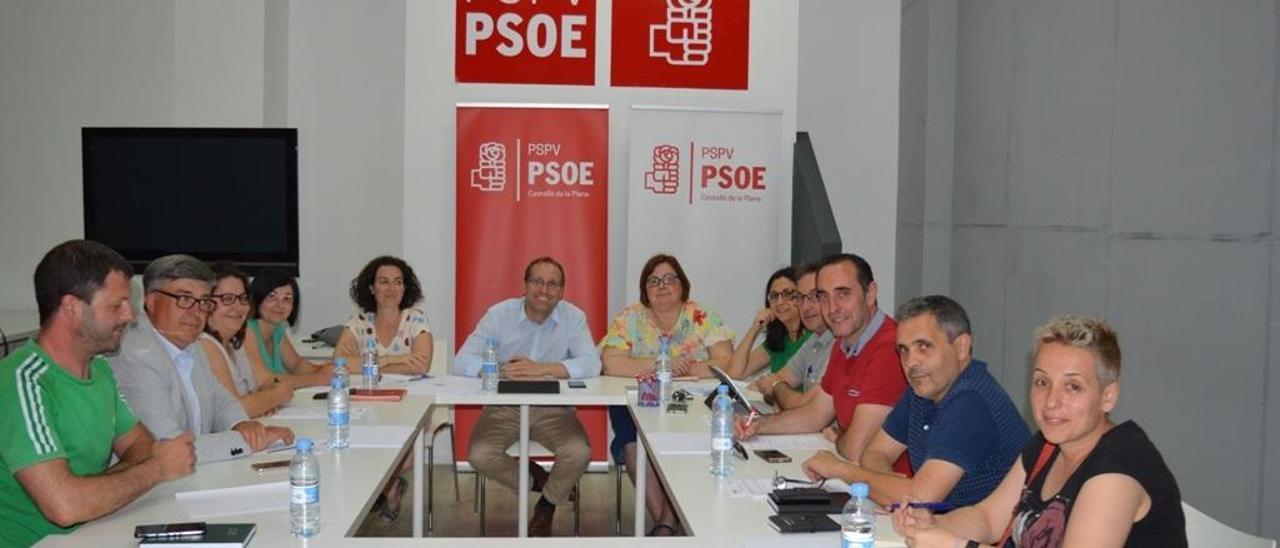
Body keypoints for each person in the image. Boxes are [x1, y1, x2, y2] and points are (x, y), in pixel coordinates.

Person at [893, 315, 1187, 548]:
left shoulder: (1119, 468)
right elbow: (988, 518)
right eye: (1042, 382)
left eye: (1072, 386)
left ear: (1107, 396)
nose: (1052, 402)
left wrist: (957, 546)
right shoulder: (1048, 446)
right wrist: (930, 524)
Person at [0, 241, 195, 546]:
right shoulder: (21, 382)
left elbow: (142, 446)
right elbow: (65, 507)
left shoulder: (100, 370)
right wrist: (157, 469)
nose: (130, 316)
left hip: (94, 535)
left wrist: (93, 493)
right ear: (72, 308)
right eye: (116, 305)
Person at [801, 295, 1029, 507]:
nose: (911, 362)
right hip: (938, 528)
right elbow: (875, 453)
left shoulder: (971, 401)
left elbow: (920, 498)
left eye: (924, 347)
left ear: (961, 347)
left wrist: (841, 470)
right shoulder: (924, 389)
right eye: (903, 350)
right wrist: (891, 489)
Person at [453, 257, 600, 536]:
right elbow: (461, 361)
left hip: (553, 408)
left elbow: (592, 364)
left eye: (553, 284)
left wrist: (541, 369)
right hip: (504, 407)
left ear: (561, 291)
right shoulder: (499, 314)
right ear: (525, 285)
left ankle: (547, 504)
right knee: (479, 454)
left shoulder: (573, 317)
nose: (544, 289)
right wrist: (501, 370)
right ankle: (540, 480)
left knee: (579, 453)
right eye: (537, 281)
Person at [111, 255, 294, 464]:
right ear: (152, 301)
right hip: (153, 488)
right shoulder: (135, 354)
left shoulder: (192, 344)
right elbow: (167, 447)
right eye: (185, 299)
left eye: (204, 301)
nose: (196, 311)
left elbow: (221, 402)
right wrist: (245, 441)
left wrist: (242, 424)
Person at [600, 253, 735, 535]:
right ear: (645, 291)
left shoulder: (702, 316)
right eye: (653, 281)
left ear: (682, 285)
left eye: (669, 279)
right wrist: (663, 365)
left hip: (692, 400)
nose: (662, 285)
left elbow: (726, 362)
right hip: (639, 398)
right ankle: (664, 518)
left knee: (692, 441)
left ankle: (668, 522)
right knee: (632, 442)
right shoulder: (631, 317)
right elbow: (611, 362)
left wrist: (691, 369)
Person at [736, 254, 909, 471]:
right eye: (823, 297)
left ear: (870, 293)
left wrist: (838, 436)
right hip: (851, 475)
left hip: (885, 493)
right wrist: (758, 425)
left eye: (843, 294)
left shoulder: (890, 348)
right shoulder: (843, 343)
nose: (832, 308)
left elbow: (856, 449)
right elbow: (814, 416)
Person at [198, 262, 294, 418]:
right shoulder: (205, 344)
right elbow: (235, 409)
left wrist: (264, 400)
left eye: (243, 298)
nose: (238, 306)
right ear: (206, 302)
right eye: (227, 299)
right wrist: (273, 398)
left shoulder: (234, 344)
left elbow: (271, 381)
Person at [748, 262, 837, 411]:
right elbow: (775, 381)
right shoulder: (815, 339)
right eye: (801, 298)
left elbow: (808, 406)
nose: (806, 307)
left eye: (814, 296)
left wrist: (776, 387)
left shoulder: (840, 342)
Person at [333, 255, 433, 375]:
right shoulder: (358, 322)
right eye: (384, 282)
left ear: (404, 288)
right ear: (372, 288)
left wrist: (369, 368)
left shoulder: (416, 320)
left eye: (398, 282)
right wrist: (392, 360)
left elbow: (420, 366)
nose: (391, 288)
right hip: (367, 391)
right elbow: (339, 362)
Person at [244, 268, 330, 387]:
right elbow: (267, 380)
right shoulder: (247, 331)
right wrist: (317, 379)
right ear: (258, 298)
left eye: (287, 299)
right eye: (272, 297)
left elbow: (296, 365)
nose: (280, 305)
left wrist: (322, 369)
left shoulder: (278, 329)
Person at [725, 266, 811, 380]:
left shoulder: (813, 337)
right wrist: (755, 327)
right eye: (774, 296)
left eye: (787, 294)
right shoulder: (778, 340)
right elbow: (734, 373)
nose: (780, 302)